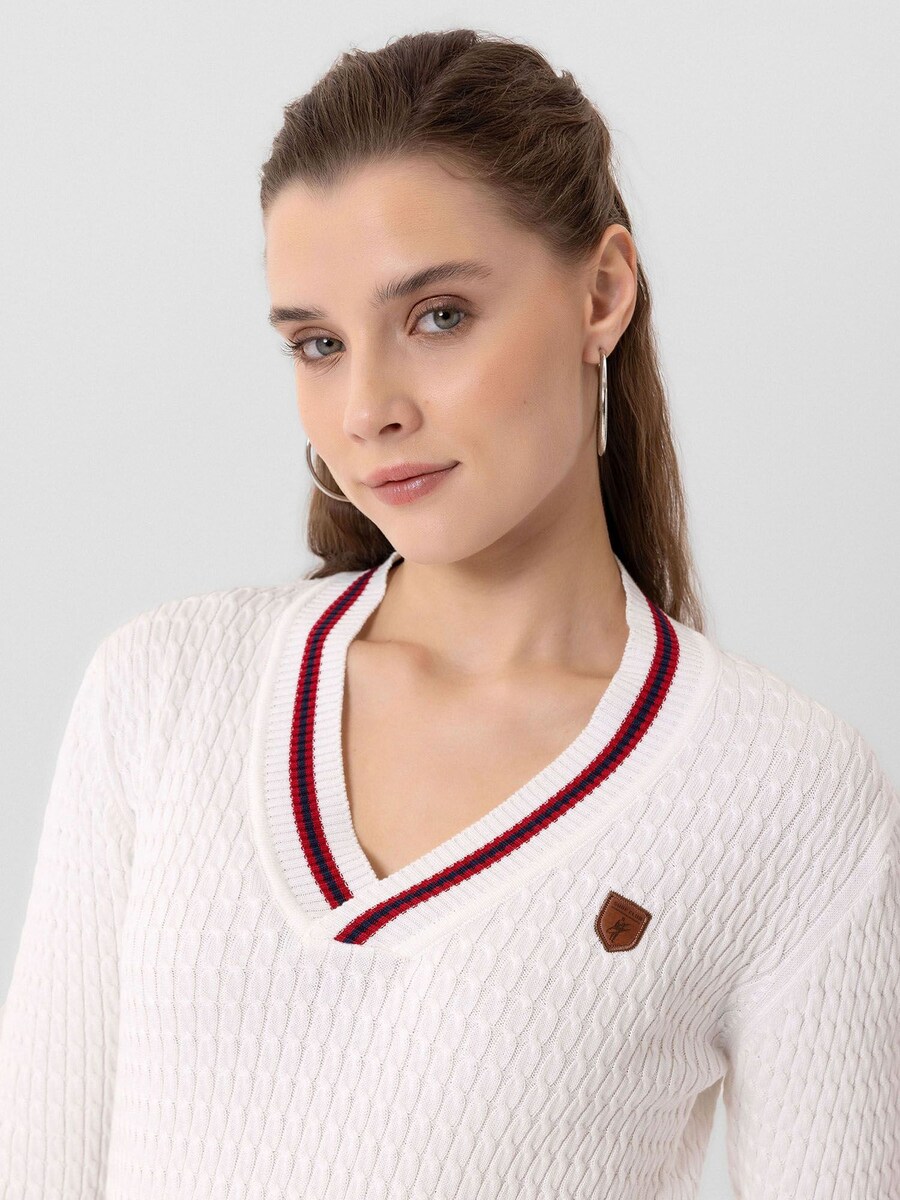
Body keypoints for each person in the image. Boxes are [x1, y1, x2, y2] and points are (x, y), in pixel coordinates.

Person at [1, 27, 897, 1200]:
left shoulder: (783, 792)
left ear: (602, 294)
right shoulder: (166, 693)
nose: (367, 406)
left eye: (437, 317)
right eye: (319, 344)